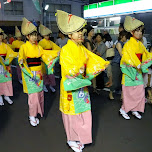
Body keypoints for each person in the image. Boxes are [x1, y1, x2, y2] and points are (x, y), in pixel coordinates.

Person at [56, 10, 109, 152]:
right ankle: (71, 139)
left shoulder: (82, 48)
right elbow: (69, 70)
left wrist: (100, 64)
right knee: (72, 113)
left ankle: (81, 137)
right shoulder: (66, 49)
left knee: (83, 111)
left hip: (82, 83)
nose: (81, 33)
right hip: (72, 84)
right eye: (76, 31)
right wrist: (80, 72)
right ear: (69, 34)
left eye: (81, 30)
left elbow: (91, 58)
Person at [18, 18, 59, 126]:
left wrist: (56, 54)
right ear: (27, 36)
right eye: (32, 35)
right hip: (30, 74)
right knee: (33, 97)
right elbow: (21, 61)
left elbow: (46, 56)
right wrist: (29, 73)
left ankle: (37, 113)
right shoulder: (23, 47)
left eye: (36, 35)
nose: (35, 37)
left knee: (40, 95)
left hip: (39, 73)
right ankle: (32, 115)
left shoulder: (39, 47)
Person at [119, 16, 152, 120]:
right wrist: (137, 64)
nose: (139, 33)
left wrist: (146, 61)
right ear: (132, 32)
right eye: (137, 31)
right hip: (130, 72)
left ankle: (134, 109)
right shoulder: (128, 44)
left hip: (137, 71)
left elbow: (146, 54)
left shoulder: (140, 44)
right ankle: (123, 109)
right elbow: (126, 57)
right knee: (129, 92)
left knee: (139, 92)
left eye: (141, 31)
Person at [38, 24, 61, 93]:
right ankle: (44, 85)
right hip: (44, 60)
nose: (48, 36)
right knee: (44, 74)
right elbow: (41, 52)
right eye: (46, 35)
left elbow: (56, 48)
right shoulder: (41, 42)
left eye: (48, 35)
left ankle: (51, 85)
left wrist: (61, 51)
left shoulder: (50, 42)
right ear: (43, 35)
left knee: (51, 74)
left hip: (50, 60)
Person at [0, 28, 18, 106]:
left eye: (1, 36)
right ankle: (0, 97)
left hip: (5, 66)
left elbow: (11, 53)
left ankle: (6, 96)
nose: (0, 38)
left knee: (7, 81)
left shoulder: (5, 46)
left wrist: (7, 61)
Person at [109, 30, 128, 100]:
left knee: (121, 81)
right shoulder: (119, 44)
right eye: (125, 36)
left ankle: (121, 97)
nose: (126, 38)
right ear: (122, 36)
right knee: (115, 81)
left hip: (122, 64)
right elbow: (121, 54)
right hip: (116, 64)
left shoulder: (124, 44)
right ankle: (110, 93)